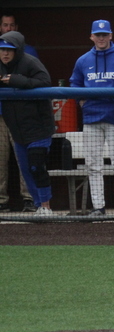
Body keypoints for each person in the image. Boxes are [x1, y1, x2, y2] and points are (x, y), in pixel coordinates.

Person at [69, 20, 114, 217]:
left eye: (104, 34)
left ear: (111, 35)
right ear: (92, 37)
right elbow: (74, 83)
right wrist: (82, 103)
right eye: (98, 35)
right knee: (93, 165)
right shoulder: (83, 60)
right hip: (91, 118)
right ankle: (98, 207)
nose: (101, 38)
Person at [0, 32, 55, 217]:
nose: (5, 54)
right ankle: (39, 206)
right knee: (26, 169)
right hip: (17, 130)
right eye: (2, 50)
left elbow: (45, 82)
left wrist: (17, 80)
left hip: (39, 127)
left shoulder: (30, 62)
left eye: (9, 50)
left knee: (36, 166)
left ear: (18, 50)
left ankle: (46, 207)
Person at [0, 13, 34, 212]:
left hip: (21, 114)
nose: (9, 28)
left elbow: (37, 81)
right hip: (1, 115)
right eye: (5, 25)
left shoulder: (28, 53)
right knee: (0, 160)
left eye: (12, 25)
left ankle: (29, 199)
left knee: (25, 159)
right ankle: (1, 201)